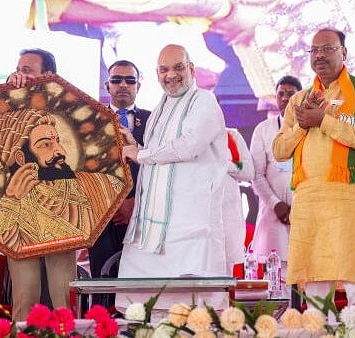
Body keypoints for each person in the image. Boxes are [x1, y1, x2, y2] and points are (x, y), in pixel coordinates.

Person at [272, 28, 355, 307]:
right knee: (317, 290)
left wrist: (325, 121)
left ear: (344, 53)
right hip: (310, 204)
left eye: (328, 49)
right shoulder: (299, 100)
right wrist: (303, 123)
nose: (319, 55)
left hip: (350, 203)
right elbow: (280, 150)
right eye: (314, 50)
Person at [117, 44, 228, 312]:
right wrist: (133, 144)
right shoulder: (160, 109)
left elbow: (190, 146)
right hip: (153, 230)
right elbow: (154, 156)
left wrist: (141, 154)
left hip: (191, 226)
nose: (171, 75)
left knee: (195, 312)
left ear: (191, 69)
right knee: (145, 310)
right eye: (164, 69)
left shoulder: (204, 101)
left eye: (178, 67)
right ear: (157, 73)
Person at [0, 108, 124, 248]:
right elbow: (3, 248)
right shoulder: (4, 209)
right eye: (46, 145)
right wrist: (11, 202)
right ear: (20, 157)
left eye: (57, 141)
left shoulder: (101, 185)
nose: (60, 151)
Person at [2, 48, 77, 320]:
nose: (20, 75)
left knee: (63, 300)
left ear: (49, 75)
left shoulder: (69, 104)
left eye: (27, 70)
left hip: (62, 215)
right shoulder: (6, 103)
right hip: (21, 217)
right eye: (18, 69)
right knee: (25, 299)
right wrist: (8, 93)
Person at [88, 60, 150, 288]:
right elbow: (84, 170)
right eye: (116, 80)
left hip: (144, 216)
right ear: (107, 85)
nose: (123, 85)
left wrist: (135, 203)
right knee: (103, 289)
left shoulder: (155, 120)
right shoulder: (90, 120)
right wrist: (115, 205)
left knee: (142, 289)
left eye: (130, 80)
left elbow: (162, 168)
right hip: (103, 219)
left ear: (138, 86)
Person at [250, 75, 302, 291]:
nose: (285, 98)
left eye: (291, 94)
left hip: (304, 211)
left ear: (300, 97)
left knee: (305, 271)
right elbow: (256, 174)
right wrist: (276, 204)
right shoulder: (263, 129)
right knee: (276, 273)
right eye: (281, 94)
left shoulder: (311, 128)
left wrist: (299, 206)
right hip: (273, 212)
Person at [222, 128, 253, 275]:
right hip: (199, 221)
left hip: (227, 220)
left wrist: (225, 164)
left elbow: (248, 171)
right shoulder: (189, 137)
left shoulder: (231, 135)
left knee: (225, 277)